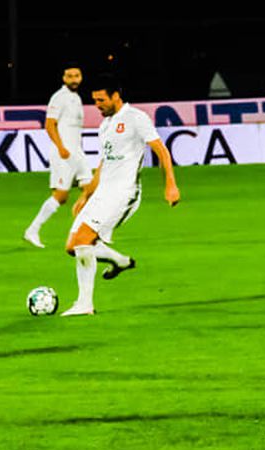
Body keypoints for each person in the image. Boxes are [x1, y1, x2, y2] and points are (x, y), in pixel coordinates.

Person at [60, 76, 180, 316]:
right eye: (94, 100)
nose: (97, 105)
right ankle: (120, 261)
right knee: (72, 246)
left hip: (124, 192)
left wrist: (170, 185)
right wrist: (86, 195)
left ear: (116, 96)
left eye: (101, 100)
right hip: (103, 191)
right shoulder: (105, 125)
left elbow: (161, 150)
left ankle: (85, 304)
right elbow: (104, 163)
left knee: (84, 240)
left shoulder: (136, 118)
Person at [24, 64, 90, 248]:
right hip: (64, 154)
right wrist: (61, 147)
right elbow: (49, 124)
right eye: (70, 76)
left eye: (77, 75)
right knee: (61, 196)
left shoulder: (76, 98)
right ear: (64, 78)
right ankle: (33, 230)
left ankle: (88, 233)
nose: (74, 79)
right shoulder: (59, 97)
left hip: (77, 152)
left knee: (91, 190)